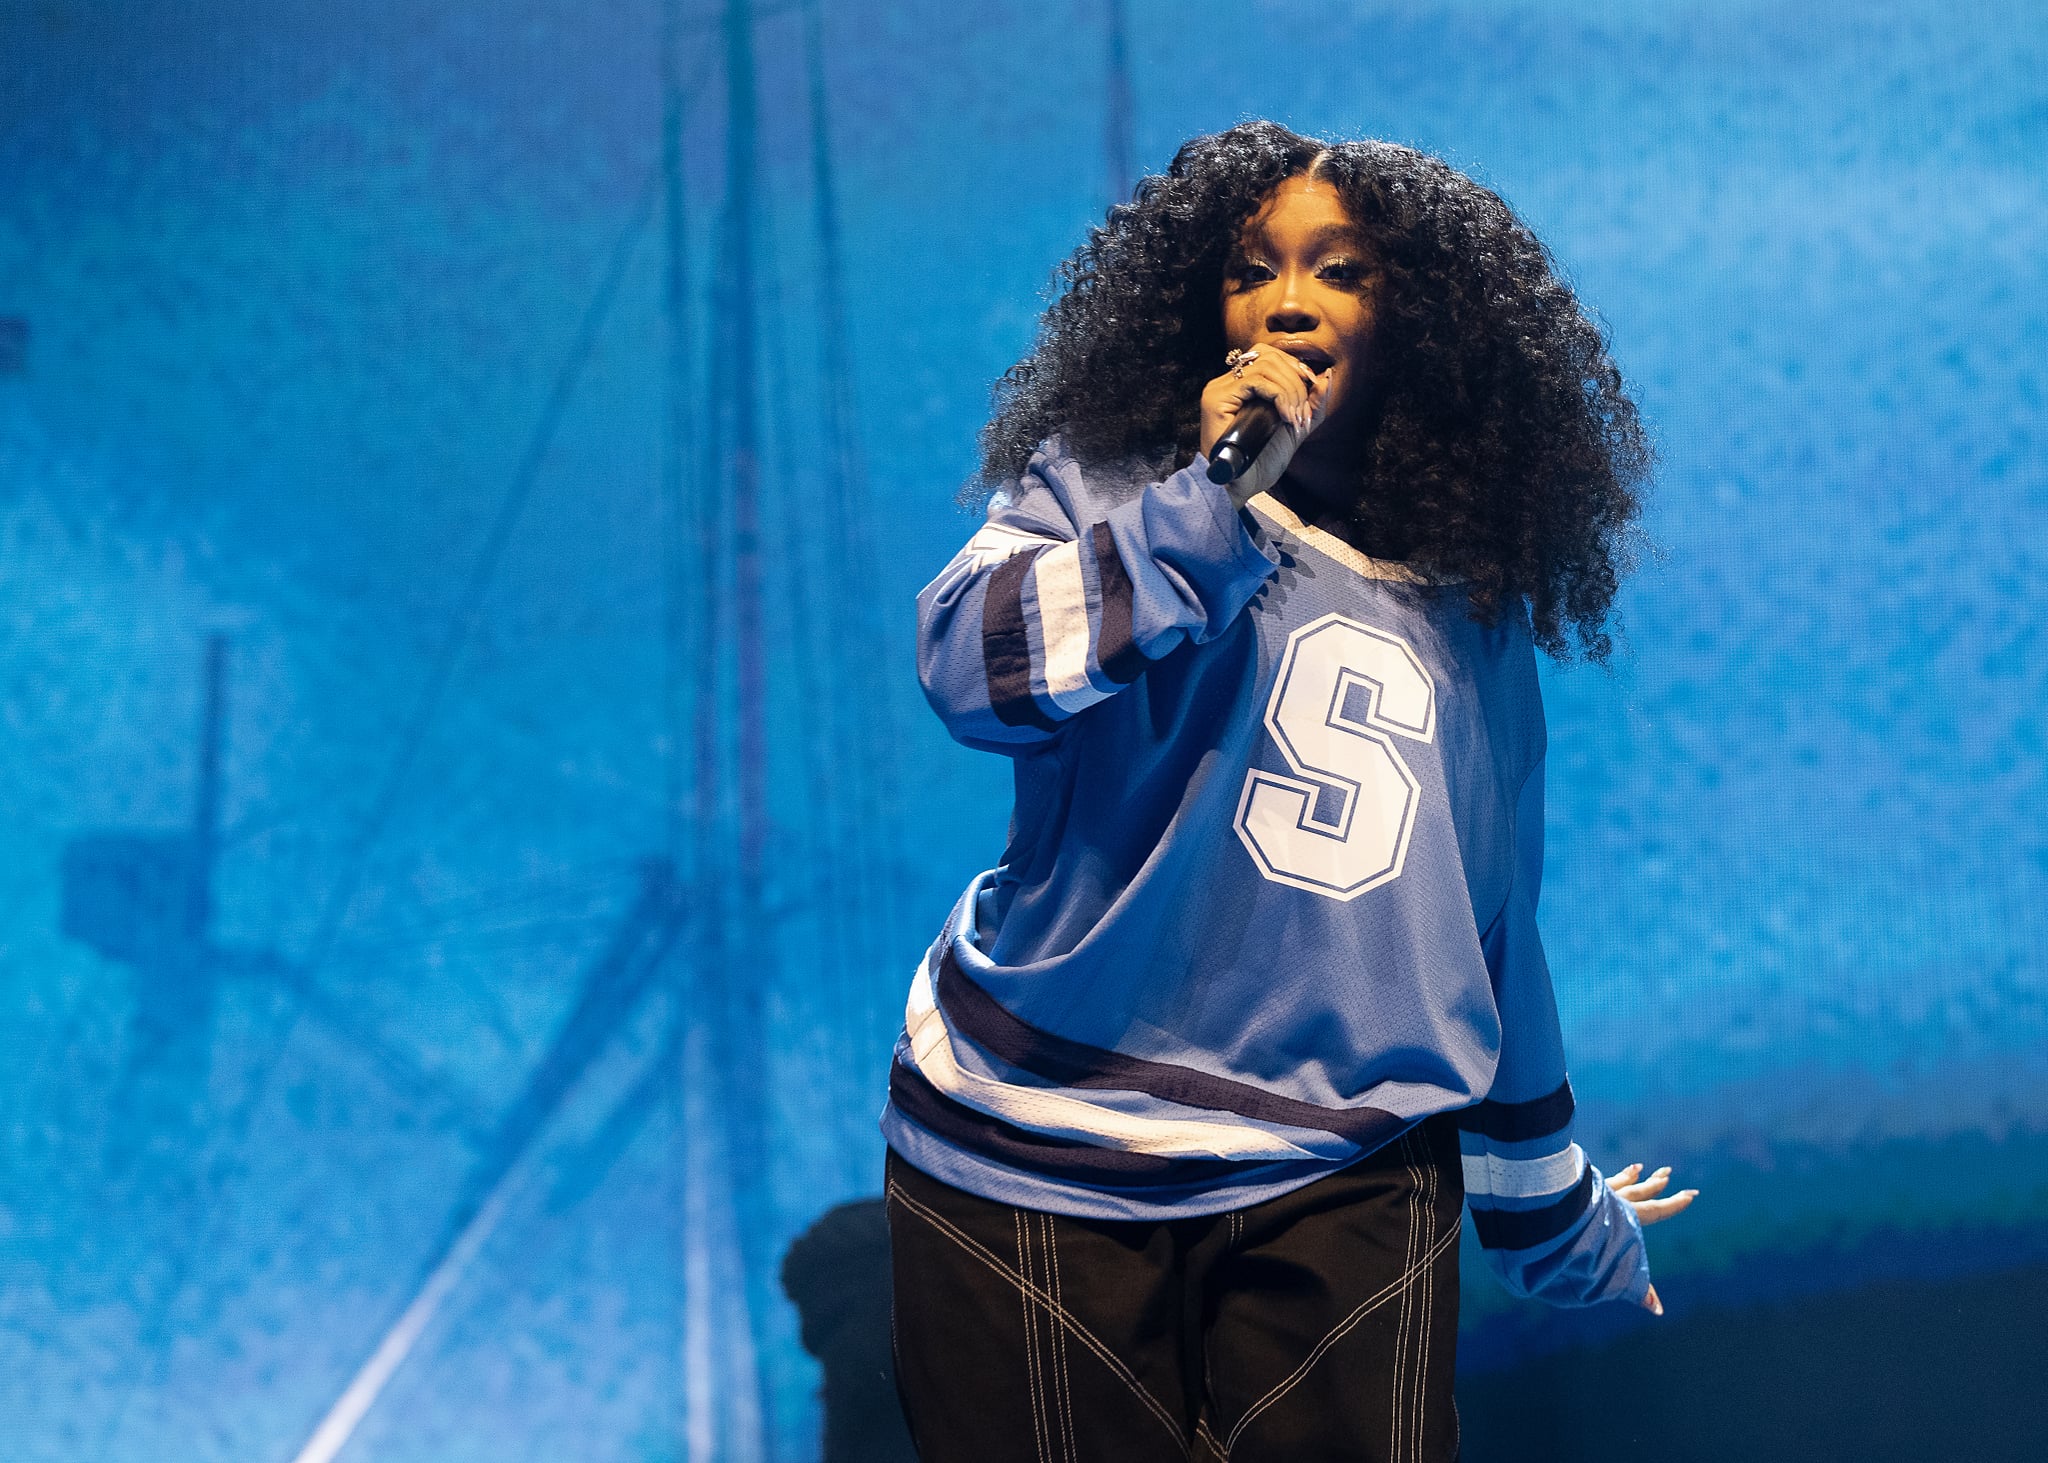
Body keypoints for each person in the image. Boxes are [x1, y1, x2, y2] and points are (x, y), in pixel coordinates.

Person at [880, 121, 1694, 1463]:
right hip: (1030, 1162)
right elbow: (974, 673)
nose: (1290, 301)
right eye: (1255, 269)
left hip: (1340, 1177)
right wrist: (1211, 504)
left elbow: (1489, 931)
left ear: (1424, 323)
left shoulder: (1465, 612)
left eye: (1342, 271)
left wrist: (1552, 1210)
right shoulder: (1115, 490)